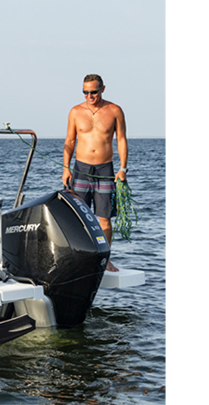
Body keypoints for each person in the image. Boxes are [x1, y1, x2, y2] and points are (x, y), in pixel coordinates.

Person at [62, 74, 127, 272]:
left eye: (93, 92)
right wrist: (65, 168)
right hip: (80, 169)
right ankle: (80, 258)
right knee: (78, 217)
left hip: (104, 170)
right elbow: (70, 140)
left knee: (104, 218)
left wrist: (123, 168)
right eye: (85, 92)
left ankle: (104, 259)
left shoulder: (114, 110)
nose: (89, 96)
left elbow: (121, 139)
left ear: (102, 89)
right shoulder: (75, 111)